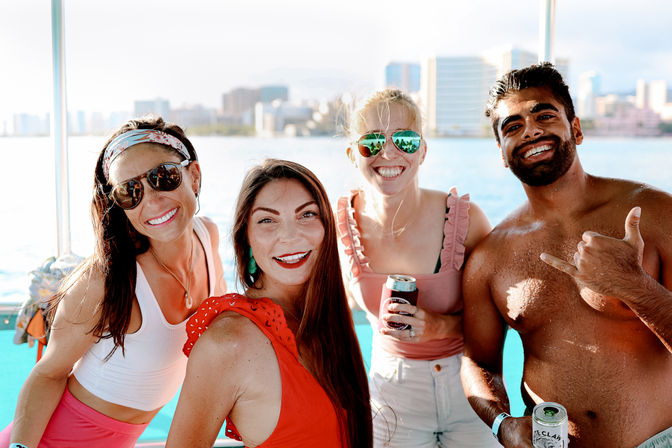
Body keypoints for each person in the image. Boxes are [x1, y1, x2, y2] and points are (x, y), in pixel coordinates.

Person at [460, 62, 672, 448]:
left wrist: (635, 287)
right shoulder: (490, 257)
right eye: (512, 126)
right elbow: (478, 362)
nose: (531, 130)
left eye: (544, 115)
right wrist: (502, 424)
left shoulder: (654, 214)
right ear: (501, 153)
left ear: (575, 128)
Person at [1, 116, 227, 448]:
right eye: (130, 191)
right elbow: (48, 374)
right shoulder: (105, 281)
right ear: (119, 206)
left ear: (194, 176)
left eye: (163, 177)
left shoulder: (208, 237)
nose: (151, 201)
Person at [166, 159, 373, 448]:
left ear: (327, 228)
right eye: (267, 220)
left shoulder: (326, 321)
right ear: (246, 238)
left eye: (307, 215)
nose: (289, 235)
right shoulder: (228, 341)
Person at [336, 89, 495, 447]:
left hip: (470, 384)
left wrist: (439, 326)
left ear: (422, 150)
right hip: (389, 392)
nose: (388, 153)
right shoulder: (338, 225)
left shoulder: (465, 221)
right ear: (352, 154)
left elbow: (500, 315)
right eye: (371, 142)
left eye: (405, 140)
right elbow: (324, 310)